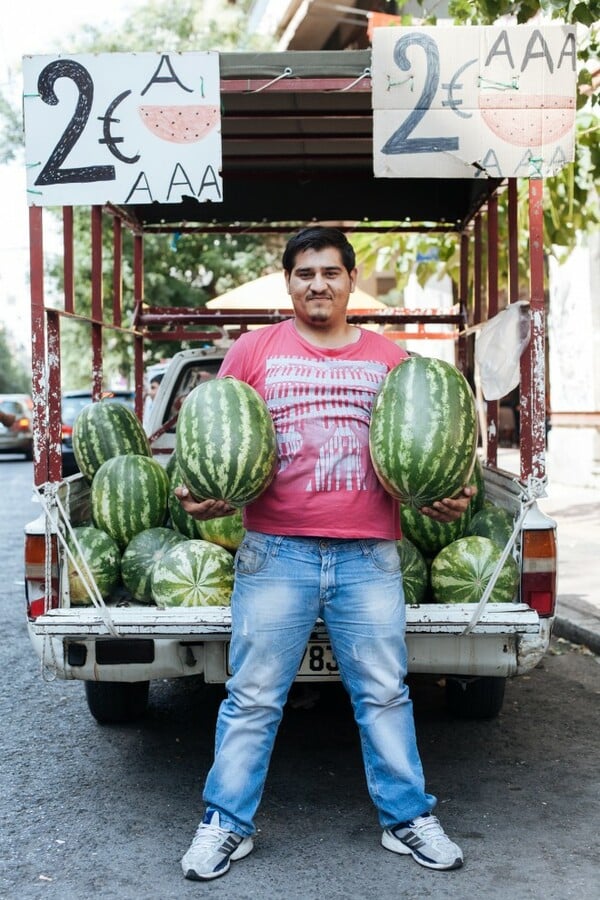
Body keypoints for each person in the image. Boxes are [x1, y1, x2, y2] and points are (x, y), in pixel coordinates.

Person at [175, 227, 475, 881]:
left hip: (369, 554)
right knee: (252, 695)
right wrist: (205, 495)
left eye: (331, 272)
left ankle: (407, 819)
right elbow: (220, 440)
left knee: (384, 694)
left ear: (350, 279)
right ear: (290, 281)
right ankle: (224, 824)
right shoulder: (253, 353)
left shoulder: (394, 361)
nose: (318, 284)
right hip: (275, 551)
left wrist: (445, 492)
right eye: (305, 272)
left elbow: (423, 447)